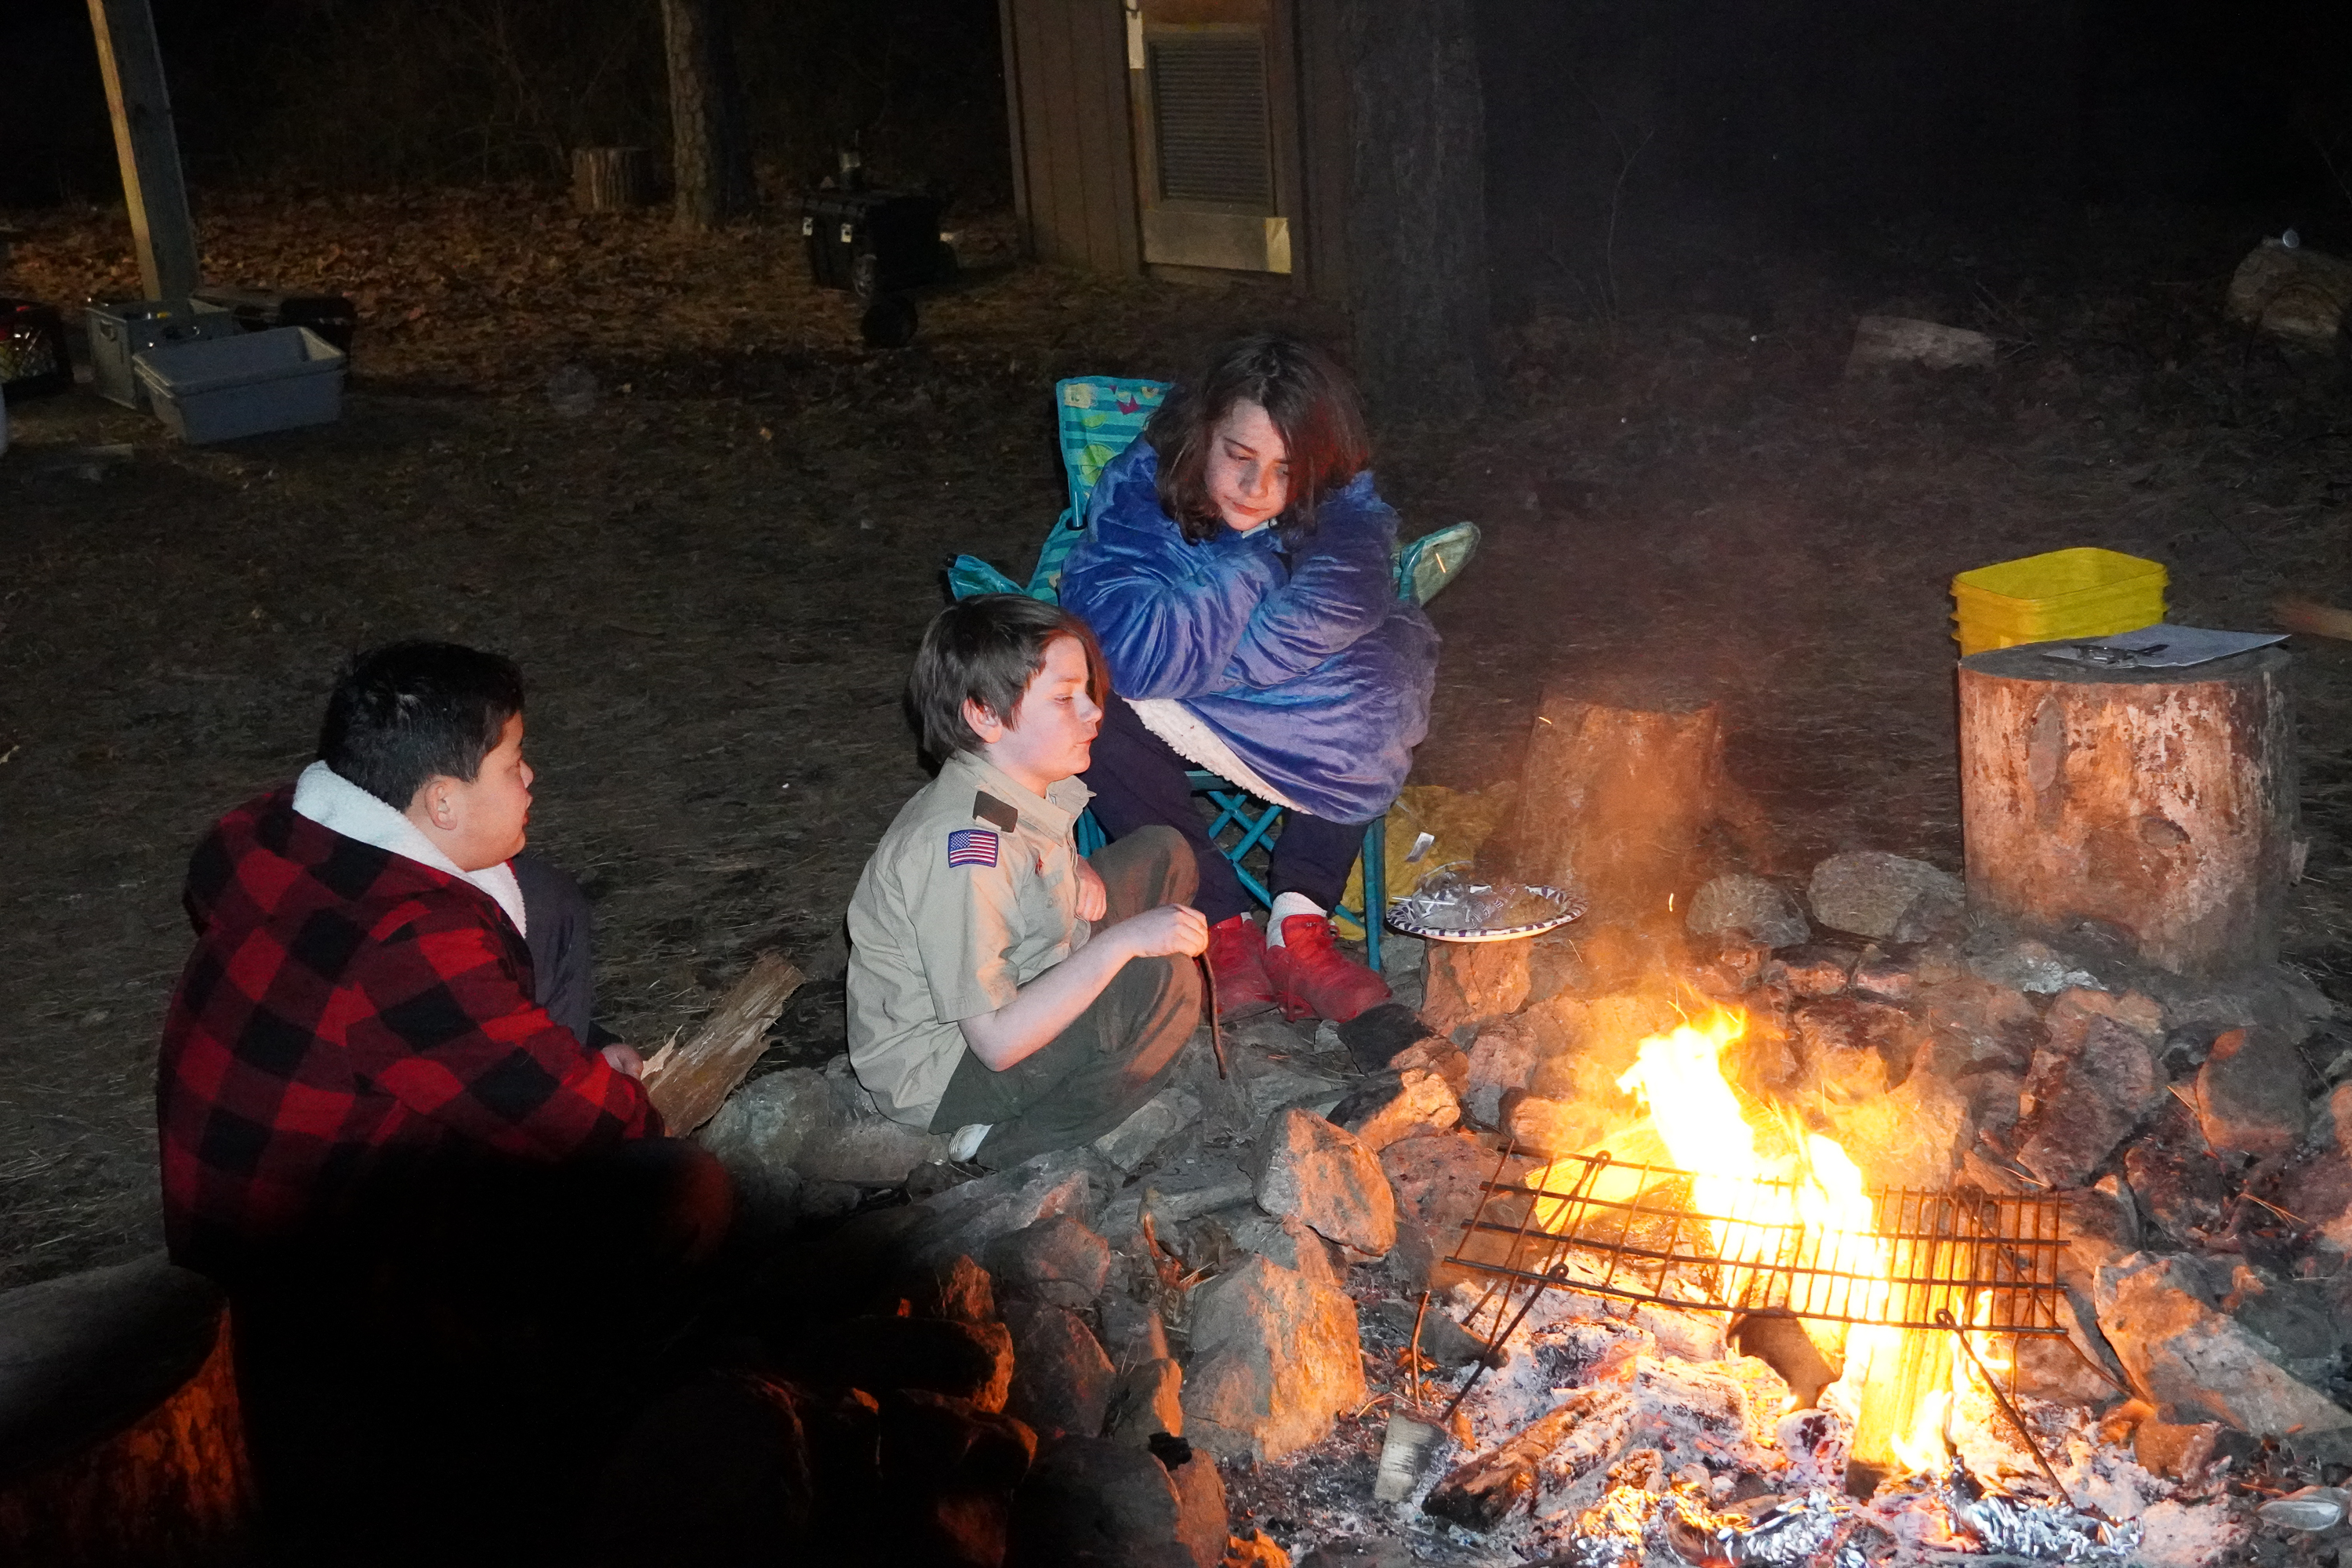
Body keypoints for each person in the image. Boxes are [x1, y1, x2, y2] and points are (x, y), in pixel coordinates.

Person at [155, 640, 728, 1559]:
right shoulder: (410, 944)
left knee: (545, 900)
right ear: (442, 802)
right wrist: (606, 1083)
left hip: (287, 1192)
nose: (531, 776)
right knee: (684, 1189)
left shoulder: (262, 829)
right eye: (512, 761)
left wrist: (562, 1043)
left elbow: (404, 986)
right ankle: (557, 1427)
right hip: (319, 1307)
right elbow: (601, 1124)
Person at [1058, 332, 1439, 1025]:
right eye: (1238, 457)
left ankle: (1299, 928)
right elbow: (1131, 646)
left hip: (1261, 691)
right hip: (1174, 698)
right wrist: (1256, 569)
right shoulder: (1140, 493)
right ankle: (1219, 927)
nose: (1257, 489)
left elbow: (1341, 603)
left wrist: (1206, 659)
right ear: (1204, 432)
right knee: (1089, 707)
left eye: (1285, 470)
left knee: (1380, 686)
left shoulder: (1341, 504)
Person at [847, 594, 1207, 1168]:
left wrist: (1074, 866)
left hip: (1028, 970)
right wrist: (1123, 943)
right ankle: (1002, 1144)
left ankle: (1114, 1034)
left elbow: (1027, 851)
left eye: (1087, 691)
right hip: (950, 1067)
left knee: (1163, 852)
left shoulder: (1015, 782)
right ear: (985, 716)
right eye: (1064, 698)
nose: (1093, 712)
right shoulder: (967, 853)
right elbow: (995, 1042)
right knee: (1165, 981)